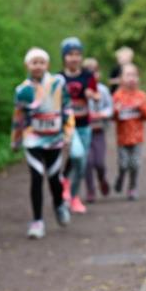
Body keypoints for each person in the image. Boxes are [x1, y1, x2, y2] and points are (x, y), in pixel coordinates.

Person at [10, 48, 74, 239]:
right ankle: (37, 221)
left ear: (47, 65)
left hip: (54, 139)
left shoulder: (58, 84)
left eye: (41, 62)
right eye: (34, 62)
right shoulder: (22, 90)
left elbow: (67, 109)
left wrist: (68, 132)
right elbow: (18, 117)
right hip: (33, 139)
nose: (38, 66)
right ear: (27, 65)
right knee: (36, 178)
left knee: (54, 178)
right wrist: (15, 140)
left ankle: (59, 204)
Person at [58, 37, 97, 215]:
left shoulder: (88, 76)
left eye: (77, 54)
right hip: (68, 126)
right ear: (64, 57)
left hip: (84, 125)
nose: (74, 58)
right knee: (77, 154)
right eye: (70, 54)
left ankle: (73, 196)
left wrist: (92, 95)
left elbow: (97, 95)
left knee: (81, 164)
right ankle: (65, 182)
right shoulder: (59, 78)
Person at [112, 64, 146, 200]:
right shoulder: (117, 96)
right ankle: (120, 177)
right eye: (128, 75)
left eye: (134, 75)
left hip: (137, 138)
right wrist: (116, 110)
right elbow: (113, 118)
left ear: (138, 78)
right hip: (122, 139)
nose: (131, 78)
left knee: (135, 164)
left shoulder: (142, 96)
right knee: (123, 164)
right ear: (121, 79)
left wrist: (141, 108)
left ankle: (132, 187)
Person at [83, 57, 113, 203]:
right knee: (88, 162)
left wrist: (102, 114)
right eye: (88, 72)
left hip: (99, 131)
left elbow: (110, 108)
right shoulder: (80, 90)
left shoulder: (103, 90)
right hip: (84, 131)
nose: (92, 75)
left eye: (94, 72)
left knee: (99, 162)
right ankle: (90, 189)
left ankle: (102, 179)